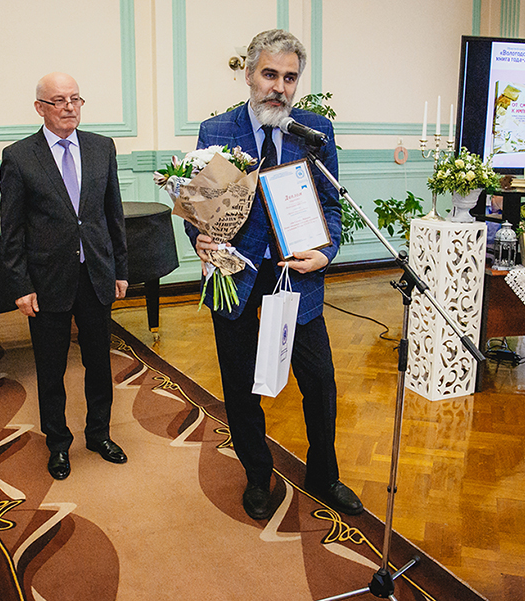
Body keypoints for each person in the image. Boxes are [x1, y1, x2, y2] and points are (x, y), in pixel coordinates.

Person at [185, 30, 364, 519]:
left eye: (289, 78)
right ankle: (257, 474)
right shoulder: (217, 130)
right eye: (269, 74)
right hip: (234, 272)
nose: (278, 88)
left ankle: (324, 475)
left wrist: (326, 252)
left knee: (320, 381)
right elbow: (199, 206)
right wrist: (198, 236)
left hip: (296, 272)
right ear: (248, 75)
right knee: (240, 382)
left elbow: (331, 205)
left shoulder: (314, 131)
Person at [0, 72, 129, 480]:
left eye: (75, 98)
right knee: (51, 368)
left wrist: (120, 270)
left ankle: (99, 434)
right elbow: (11, 229)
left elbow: (113, 214)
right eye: (59, 100)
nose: (70, 106)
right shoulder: (19, 156)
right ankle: (57, 444)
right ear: (40, 108)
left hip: (96, 275)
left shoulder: (102, 147)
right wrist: (21, 285)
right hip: (47, 280)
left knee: (99, 364)